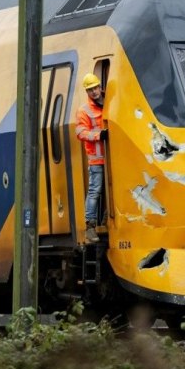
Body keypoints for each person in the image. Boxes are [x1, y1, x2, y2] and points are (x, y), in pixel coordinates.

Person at [75, 72, 107, 244]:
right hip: (97, 160)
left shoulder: (108, 103)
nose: (94, 92)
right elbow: (80, 133)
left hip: (111, 159)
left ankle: (104, 220)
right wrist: (98, 135)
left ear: (100, 87)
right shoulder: (84, 110)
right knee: (95, 191)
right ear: (86, 92)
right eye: (90, 90)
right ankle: (90, 226)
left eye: (95, 88)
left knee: (110, 191)